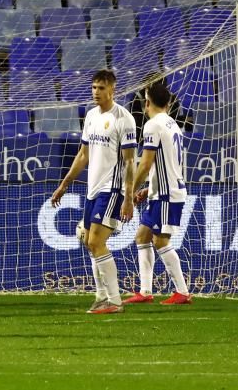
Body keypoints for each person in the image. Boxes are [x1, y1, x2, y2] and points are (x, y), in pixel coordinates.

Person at [51, 69, 138, 314]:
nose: (96, 92)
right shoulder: (90, 117)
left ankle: (114, 301)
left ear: (112, 90)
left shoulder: (124, 119)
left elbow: (131, 162)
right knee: (90, 242)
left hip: (111, 189)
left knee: (96, 241)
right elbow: (83, 155)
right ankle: (101, 296)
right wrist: (64, 184)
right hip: (92, 189)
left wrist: (128, 197)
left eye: (101, 88)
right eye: (94, 87)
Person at [123, 82, 192, 306]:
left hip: (166, 194)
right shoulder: (172, 124)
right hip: (162, 191)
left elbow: (146, 164)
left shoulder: (153, 125)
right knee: (142, 237)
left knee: (161, 241)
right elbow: (166, 164)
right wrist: (148, 189)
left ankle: (182, 291)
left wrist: (130, 190)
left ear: (147, 102)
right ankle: (145, 292)